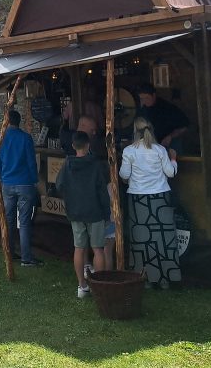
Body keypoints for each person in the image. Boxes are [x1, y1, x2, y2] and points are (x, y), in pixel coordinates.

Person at [119, 116, 180, 289]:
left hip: (138, 198)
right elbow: (170, 173)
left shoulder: (129, 151)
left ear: (134, 131)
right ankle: (166, 279)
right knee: (163, 239)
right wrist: (174, 159)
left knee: (142, 241)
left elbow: (124, 175)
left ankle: (145, 279)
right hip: (161, 197)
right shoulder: (160, 150)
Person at [55, 131, 113, 298]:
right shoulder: (96, 165)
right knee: (98, 249)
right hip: (95, 212)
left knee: (79, 249)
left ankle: (82, 286)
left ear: (73, 146)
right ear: (88, 146)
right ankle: (99, 287)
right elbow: (103, 192)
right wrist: (107, 212)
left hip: (75, 211)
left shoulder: (67, 164)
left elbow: (59, 185)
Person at [0, 109, 42, 267]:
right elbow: (31, 161)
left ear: (6, 122)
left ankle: (9, 252)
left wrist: (1, 176)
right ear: (18, 121)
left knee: (8, 220)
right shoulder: (25, 138)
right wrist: (35, 179)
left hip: (7, 183)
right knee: (23, 222)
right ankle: (26, 258)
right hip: (24, 183)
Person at [135, 83, 188, 149]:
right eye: (142, 99)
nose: (145, 101)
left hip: (169, 147)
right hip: (150, 148)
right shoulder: (142, 111)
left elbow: (185, 126)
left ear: (154, 95)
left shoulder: (168, 108)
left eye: (147, 98)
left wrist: (170, 136)